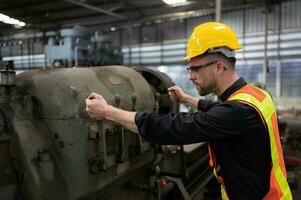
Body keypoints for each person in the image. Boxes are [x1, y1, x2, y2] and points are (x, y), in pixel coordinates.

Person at [85, 22, 292, 200]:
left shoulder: (235, 112)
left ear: (219, 67)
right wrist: (187, 99)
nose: (191, 75)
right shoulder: (257, 95)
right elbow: (219, 111)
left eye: (195, 68)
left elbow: (172, 127)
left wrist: (107, 112)